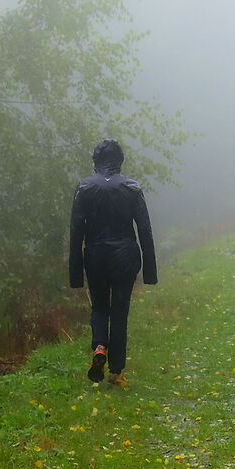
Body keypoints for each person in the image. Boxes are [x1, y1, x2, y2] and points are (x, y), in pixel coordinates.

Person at [67, 138, 157, 386]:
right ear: (120, 161)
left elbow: (76, 232)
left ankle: (99, 347)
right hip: (125, 256)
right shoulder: (132, 188)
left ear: (96, 161)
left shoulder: (84, 188)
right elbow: (145, 231)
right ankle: (116, 371)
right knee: (119, 311)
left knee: (98, 307)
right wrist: (150, 271)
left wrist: (75, 274)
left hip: (95, 256)